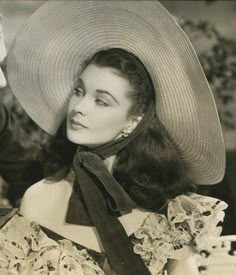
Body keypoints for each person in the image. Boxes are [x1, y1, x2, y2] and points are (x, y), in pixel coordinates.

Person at [0, 2, 228, 275]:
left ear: (135, 119)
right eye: (79, 90)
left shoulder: (171, 210)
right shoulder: (39, 198)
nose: (80, 107)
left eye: (102, 101)